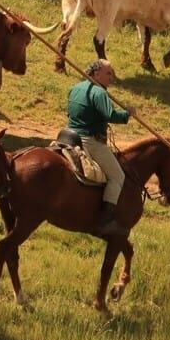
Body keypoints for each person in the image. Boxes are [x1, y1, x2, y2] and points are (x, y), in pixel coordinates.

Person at [62, 60, 131, 235]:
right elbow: (110, 115)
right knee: (117, 176)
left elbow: (69, 113)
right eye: (109, 73)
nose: (112, 78)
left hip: (68, 135)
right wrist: (128, 113)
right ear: (96, 73)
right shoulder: (99, 93)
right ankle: (105, 220)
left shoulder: (75, 88)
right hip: (89, 141)